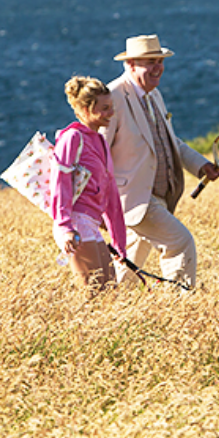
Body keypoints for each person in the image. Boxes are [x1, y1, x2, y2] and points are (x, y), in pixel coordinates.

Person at [102, 34, 219, 289]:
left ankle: (113, 305)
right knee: (179, 242)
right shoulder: (112, 96)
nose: (158, 67)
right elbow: (99, 151)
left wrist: (200, 165)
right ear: (130, 65)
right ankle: (179, 308)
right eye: (150, 62)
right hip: (132, 198)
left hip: (155, 196)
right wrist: (99, 205)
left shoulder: (153, 94)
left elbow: (169, 140)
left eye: (160, 60)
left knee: (131, 260)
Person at [51, 75, 127, 293]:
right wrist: (65, 228)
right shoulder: (72, 138)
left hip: (91, 223)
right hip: (74, 223)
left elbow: (111, 194)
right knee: (93, 293)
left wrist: (119, 243)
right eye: (104, 108)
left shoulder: (101, 141)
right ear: (85, 110)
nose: (111, 113)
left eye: (111, 107)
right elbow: (60, 184)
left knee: (110, 290)